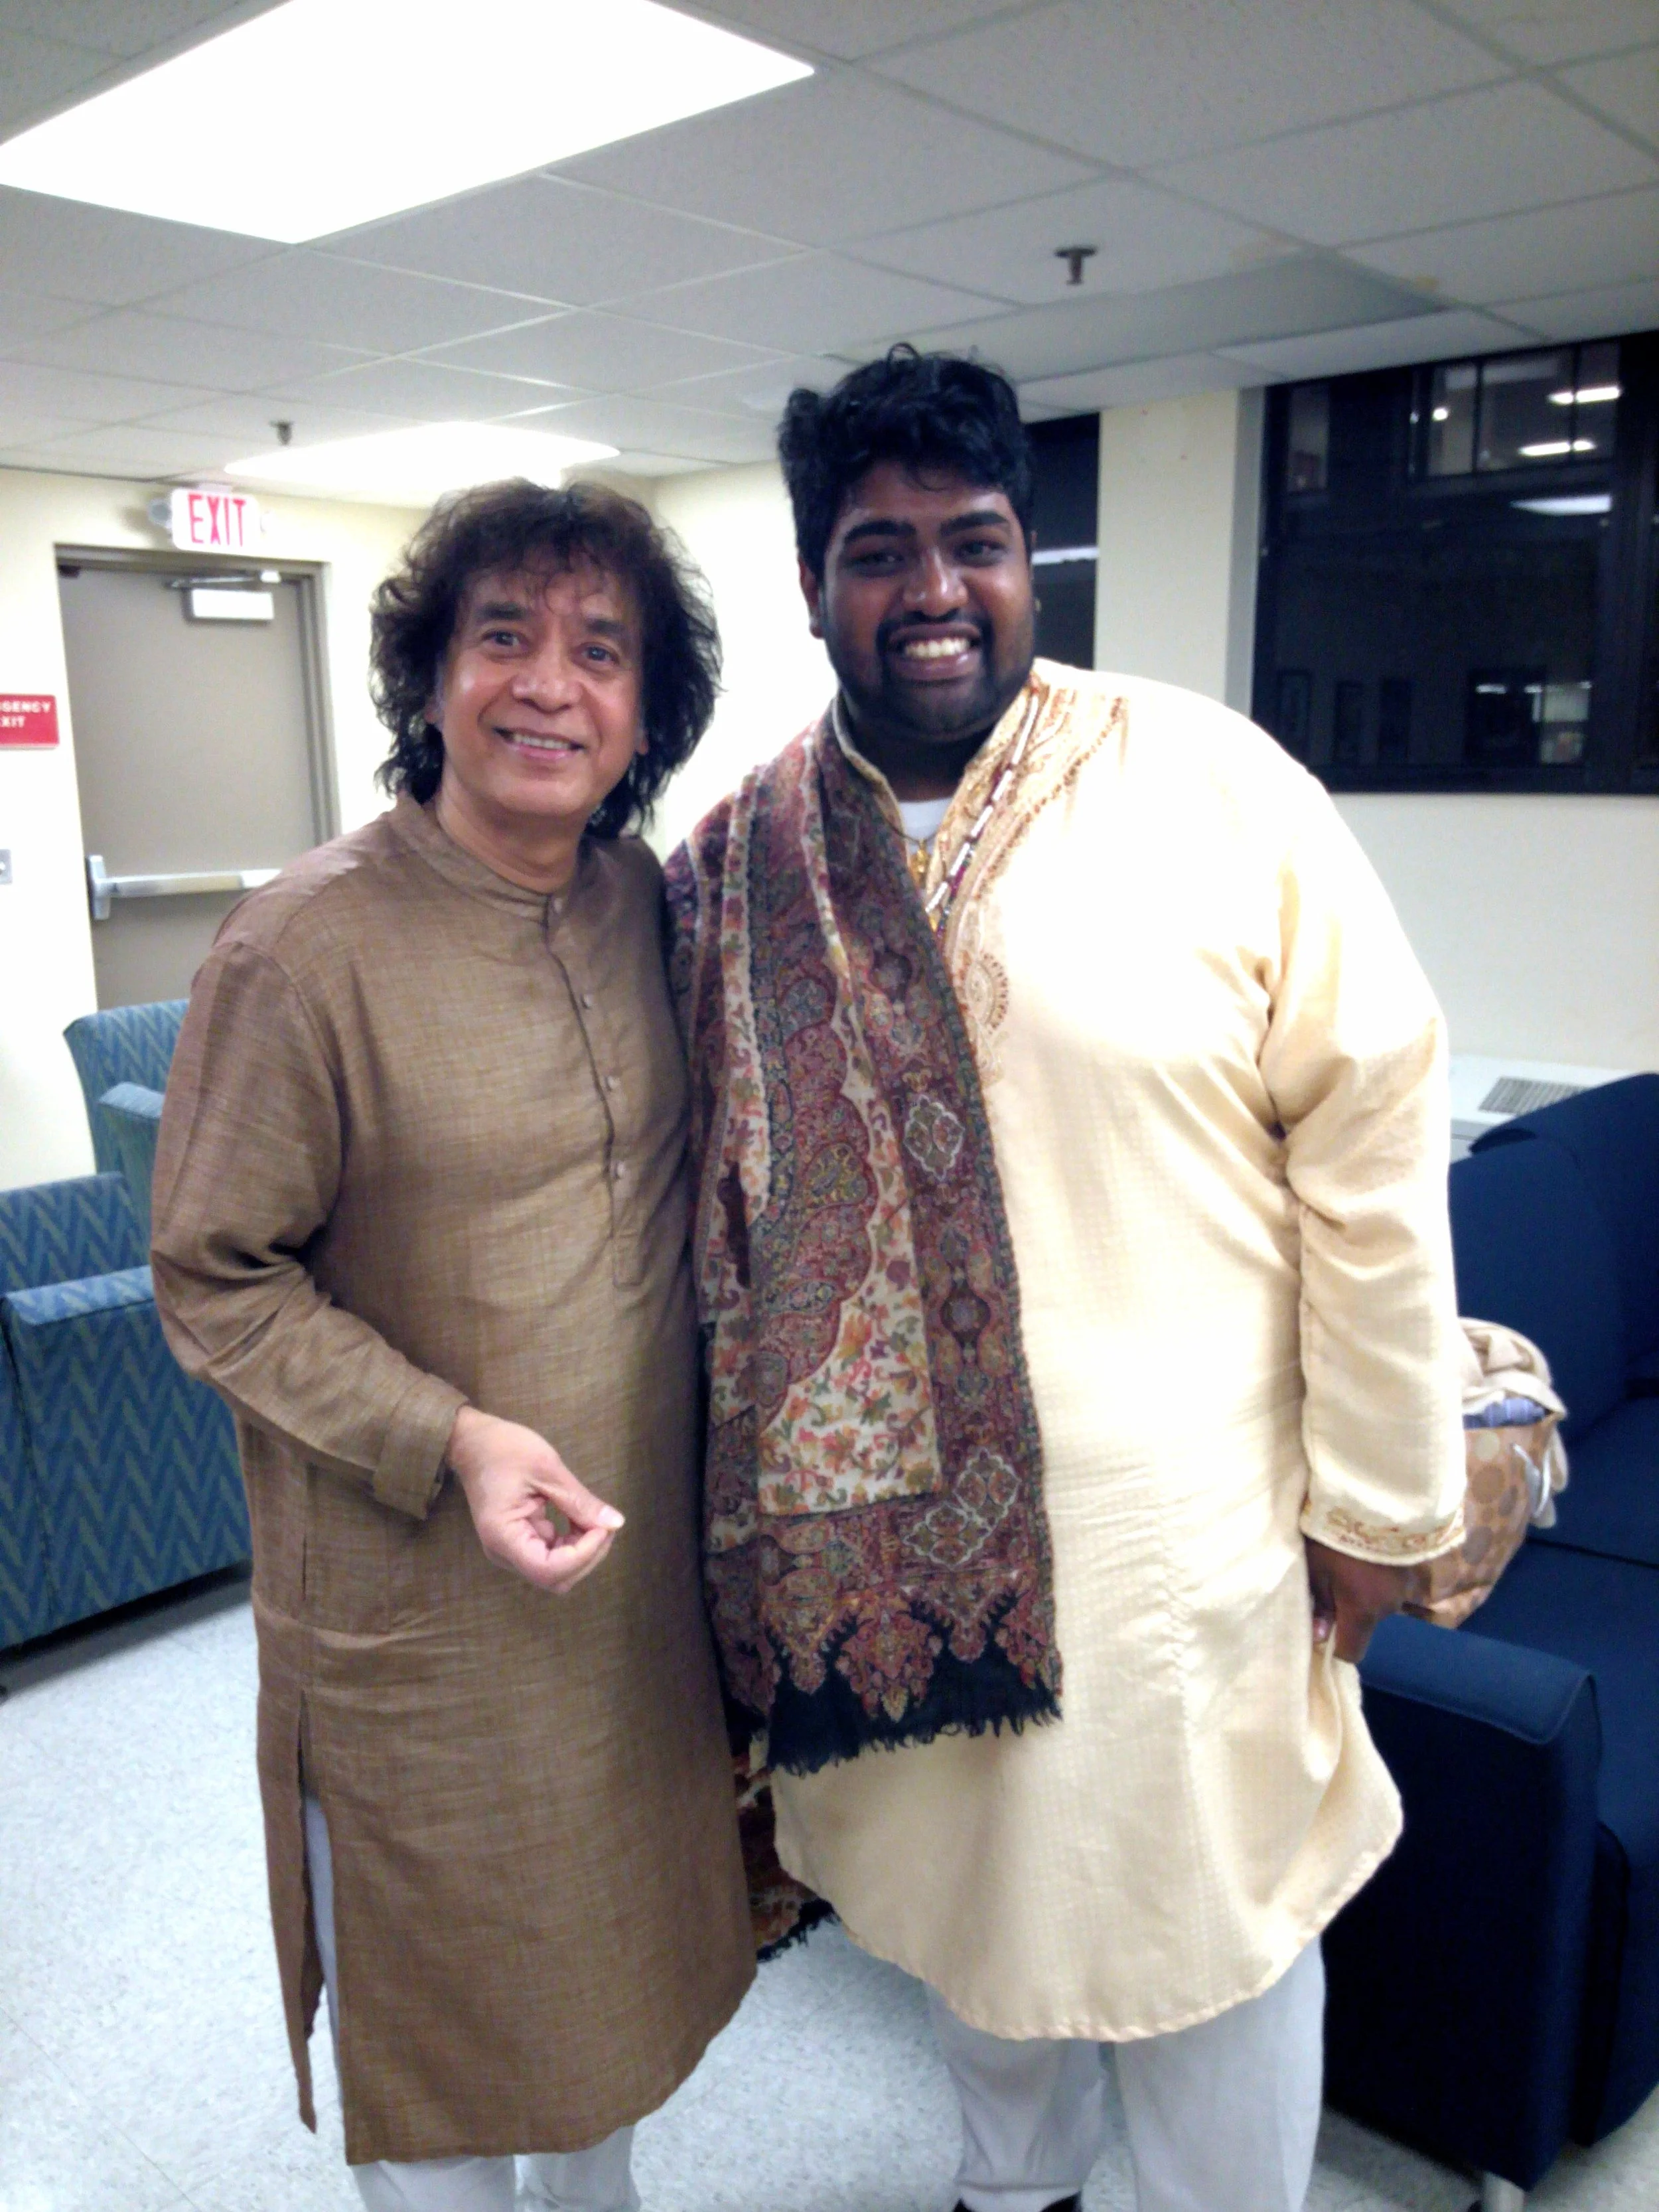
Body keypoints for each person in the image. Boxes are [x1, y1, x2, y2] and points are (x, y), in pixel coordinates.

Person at [665, 350, 1467, 2212]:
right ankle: (1006, 2190)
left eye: (977, 542)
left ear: (1034, 559)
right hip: (886, 1559)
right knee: (975, 1919)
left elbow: (1372, 1148)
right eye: (878, 550)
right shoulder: (739, 858)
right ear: (813, 588)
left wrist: (1375, 1500)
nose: (933, 590)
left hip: (1181, 1547)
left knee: (1217, 1935)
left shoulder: (1210, 783)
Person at [151, 479, 755, 2212]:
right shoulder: (301, 945)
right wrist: (455, 1435)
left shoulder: (641, 903)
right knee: (445, 2085)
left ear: (646, 712)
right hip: (421, 1622)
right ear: (430, 673)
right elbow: (213, 1275)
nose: (547, 685)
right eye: (503, 637)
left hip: (627, 1619)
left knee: (607, 2037)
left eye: (598, 651)